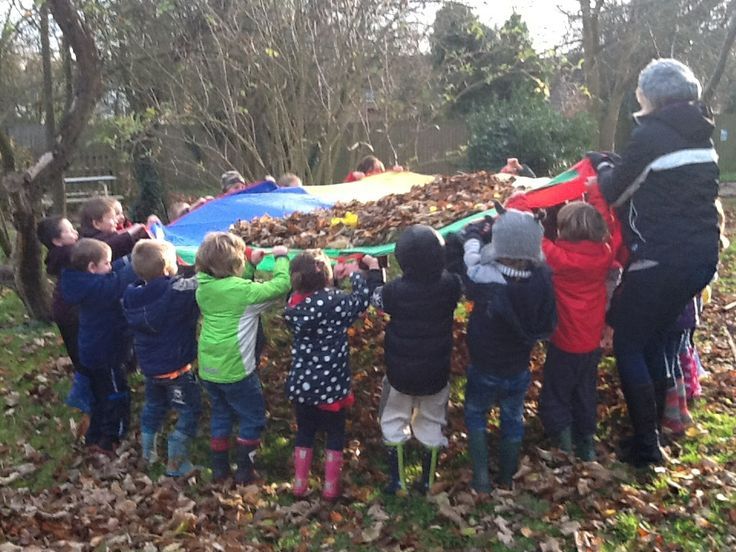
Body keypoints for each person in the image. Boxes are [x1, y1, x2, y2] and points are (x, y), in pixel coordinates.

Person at [590, 58, 720, 467]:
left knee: (629, 340)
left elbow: (613, 190)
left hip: (661, 257)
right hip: (701, 257)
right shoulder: (702, 136)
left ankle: (647, 446)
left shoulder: (650, 135)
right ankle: (658, 431)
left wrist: (603, 166)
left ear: (653, 97)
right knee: (655, 337)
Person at [462, 204, 557, 492]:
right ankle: (506, 478)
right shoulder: (542, 281)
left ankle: (481, 478)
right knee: (513, 417)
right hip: (518, 366)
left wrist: (475, 234)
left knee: (476, 412)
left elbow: (471, 260)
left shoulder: (485, 277)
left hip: (484, 365)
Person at [369, 225, 462, 495]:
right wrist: (456, 244)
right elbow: (458, 274)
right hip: (436, 372)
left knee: (393, 419)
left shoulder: (395, 291)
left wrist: (375, 272)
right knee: (433, 423)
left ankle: (398, 482)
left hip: (400, 374)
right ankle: (428, 482)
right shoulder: (450, 286)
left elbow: (377, 298)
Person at [284, 250, 383, 500]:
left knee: (304, 431)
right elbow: (361, 300)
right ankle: (330, 487)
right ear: (325, 277)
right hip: (332, 386)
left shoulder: (293, 304)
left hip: (303, 385)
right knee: (335, 433)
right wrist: (358, 274)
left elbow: (318, 302)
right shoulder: (336, 301)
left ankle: (299, 483)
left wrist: (333, 282)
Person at [195, 232, 291, 484]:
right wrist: (281, 259)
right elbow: (280, 287)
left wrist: (251, 266)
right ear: (233, 264)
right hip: (237, 369)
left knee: (221, 413)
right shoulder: (243, 292)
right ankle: (245, 471)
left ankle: (219, 469)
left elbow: (234, 291)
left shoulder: (203, 286)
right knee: (252, 417)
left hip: (209, 367)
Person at [536, 201, 614, 461]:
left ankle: (564, 444)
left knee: (556, 393)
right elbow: (611, 224)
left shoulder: (559, 258)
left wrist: (522, 208)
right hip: (591, 342)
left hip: (564, 342)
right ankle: (587, 445)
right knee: (585, 392)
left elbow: (536, 238)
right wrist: (595, 191)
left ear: (564, 231)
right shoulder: (604, 254)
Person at [123, 240, 201, 477]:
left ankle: (149, 452)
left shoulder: (131, 295)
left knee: (154, 406)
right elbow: (200, 284)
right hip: (176, 368)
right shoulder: (175, 293)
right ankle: (177, 460)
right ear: (168, 269)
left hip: (150, 368)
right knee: (189, 409)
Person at [61, 239, 137, 456]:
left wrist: (133, 256)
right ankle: (112, 437)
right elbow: (120, 280)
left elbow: (118, 269)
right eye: (106, 263)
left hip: (92, 351)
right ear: (92, 268)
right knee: (115, 394)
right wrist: (140, 261)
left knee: (99, 396)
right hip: (107, 354)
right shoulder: (99, 288)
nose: (110, 266)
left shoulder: (81, 282)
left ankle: (94, 435)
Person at [36, 216, 92, 422]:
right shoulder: (70, 253)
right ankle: (83, 397)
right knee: (82, 355)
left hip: (68, 312)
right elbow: (101, 247)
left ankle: (83, 392)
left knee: (81, 354)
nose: (75, 232)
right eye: (69, 230)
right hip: (70, 314)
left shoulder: (63, 252)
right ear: (57, 241)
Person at [79, 196, 148, 260]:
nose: (116, 221)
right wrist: (130, 232)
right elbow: (111, 244)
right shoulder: (90, 241)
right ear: (97, 224)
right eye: (112, 218)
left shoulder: (107, 234)